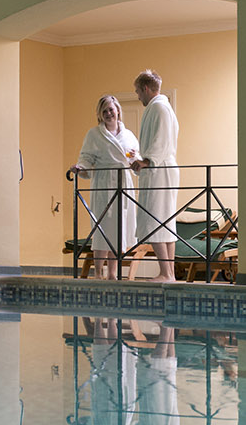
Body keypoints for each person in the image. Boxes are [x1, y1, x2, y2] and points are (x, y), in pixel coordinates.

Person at [71, 95, 139, 279]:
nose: (109, 113)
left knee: (119, 228)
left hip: (122, 183)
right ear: (100, 115)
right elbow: (86, 158)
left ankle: (112, 272)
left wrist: (134, 157)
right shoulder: (94, 134)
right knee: (101, 227)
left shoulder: (129, 135)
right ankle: (98, 271)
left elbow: (135, 160)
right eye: (105, 111)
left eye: (111, 109)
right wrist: (80, 168)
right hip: (103, 183)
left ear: (118, 110)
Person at [129, 70, 180, 284]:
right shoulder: (161, 107)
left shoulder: (159, 107)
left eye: (138, 92)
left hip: (159, 170)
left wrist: (147, 161)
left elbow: (161, 140)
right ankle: (169, 273)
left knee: (156, 218)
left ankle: (166, 273)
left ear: (146, 89)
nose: (138, 96)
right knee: (164, 219)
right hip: (160, 168)